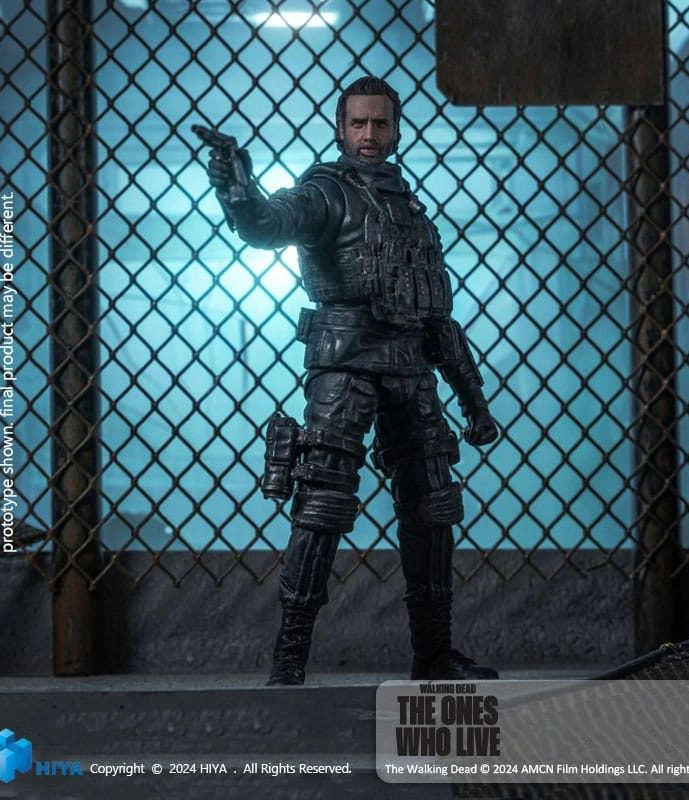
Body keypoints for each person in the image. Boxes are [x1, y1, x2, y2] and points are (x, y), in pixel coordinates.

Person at [204, 76, 499, 685]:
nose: (369, 134)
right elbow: (265, 225)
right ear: (340, 129)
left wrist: (473, 401)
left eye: (380, 123)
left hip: (411, 368)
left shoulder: (410, 209)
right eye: (359, 123)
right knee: (322, 504)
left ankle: (435, 654)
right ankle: (289, 660)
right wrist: (236, 187)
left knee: (433, 507)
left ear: (396, 130)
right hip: (344, 365)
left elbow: (437, 317)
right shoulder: (325, 193)